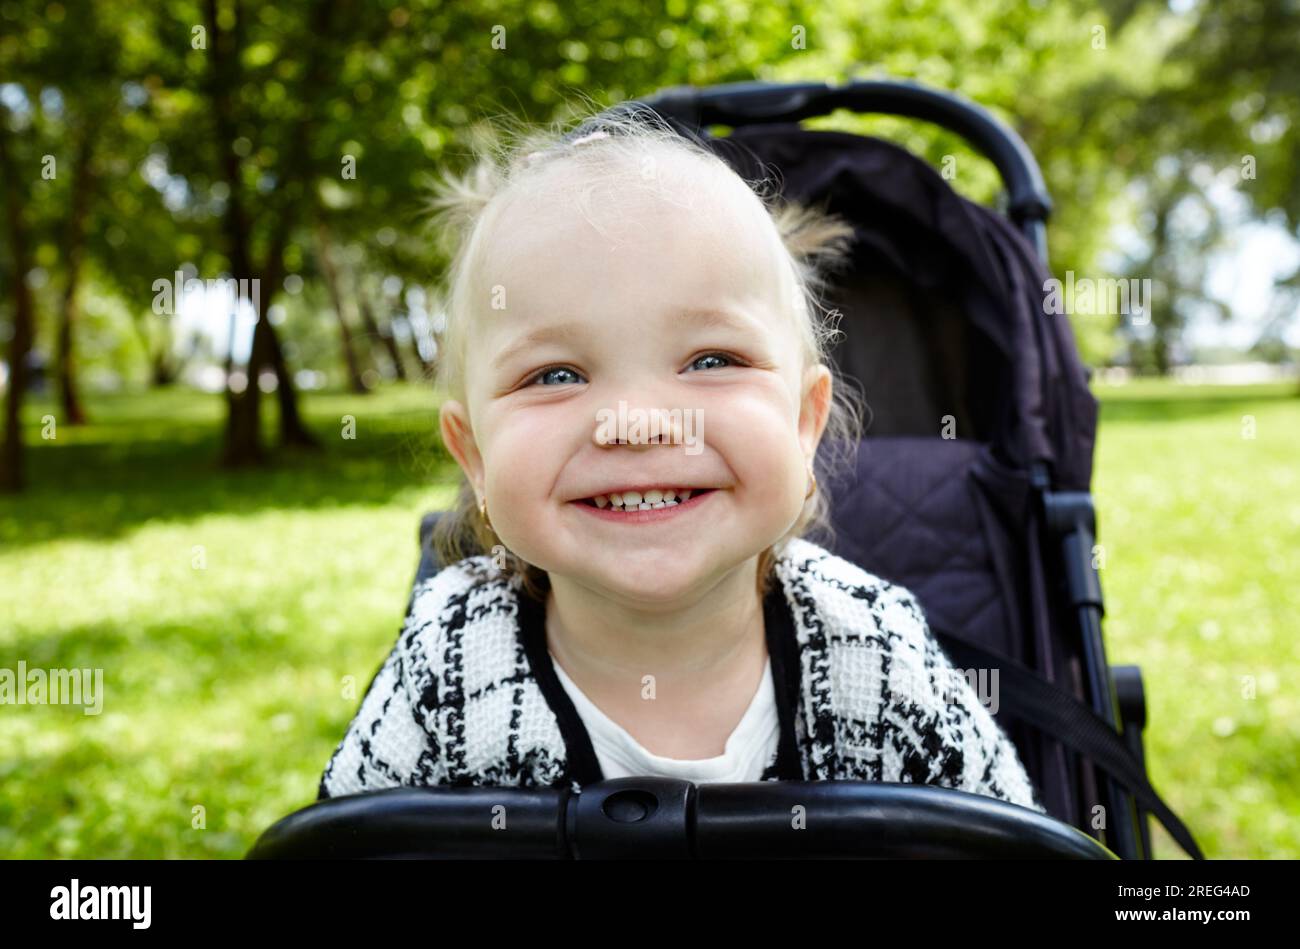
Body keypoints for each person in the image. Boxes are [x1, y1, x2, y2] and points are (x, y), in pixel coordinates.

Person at [317, 106, 1045, 815]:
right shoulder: (449, 662)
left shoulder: (874, 655)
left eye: (710, 359)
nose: (638, 423)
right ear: (474, 456)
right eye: (557, 375)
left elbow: (1009, 841)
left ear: (803, 423)